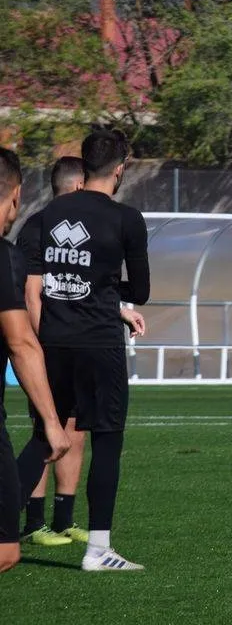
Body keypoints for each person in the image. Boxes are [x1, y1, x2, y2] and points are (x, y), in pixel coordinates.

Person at [15, 129, 150, 571]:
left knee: (45, 438)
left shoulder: (47, 214)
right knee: (107, 442)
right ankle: (98, 550)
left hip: (53, 342)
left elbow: (38, 283)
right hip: (98, 344)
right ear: (120, 168)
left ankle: (1, 527)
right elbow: (142, 291)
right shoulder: (127, 218)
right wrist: (109, 295)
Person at [0, 148, 70, 573]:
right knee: (5, 549)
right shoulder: (4, 257)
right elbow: (21, 343)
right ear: (15, 196)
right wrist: (50, 420)